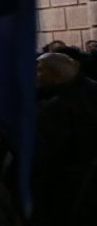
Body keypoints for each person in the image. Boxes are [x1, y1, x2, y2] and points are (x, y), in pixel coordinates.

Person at [33, 51, 97, 225]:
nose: (35, 75)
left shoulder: (56, 108)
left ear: (57, 74)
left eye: (40, 70)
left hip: (69, 191)